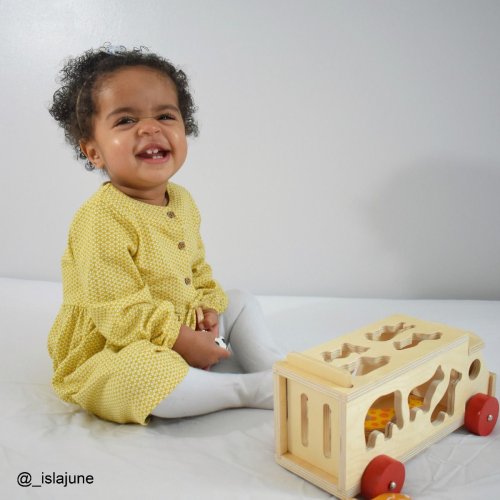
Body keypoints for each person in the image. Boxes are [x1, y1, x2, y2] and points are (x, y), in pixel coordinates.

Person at [47, 44, 282, 424]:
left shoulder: (182, 200)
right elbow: (118, 312)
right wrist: (181, 340)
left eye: (165, 116)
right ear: (94, 152)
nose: (150, 128)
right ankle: (247, 389)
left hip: (184, 324)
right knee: (141, 375)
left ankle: (276, 368)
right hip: (118, 344)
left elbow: (197, 268)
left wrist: (207, 311)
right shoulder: (100, 219)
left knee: (239, 302)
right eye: (126, 120)